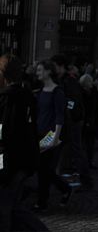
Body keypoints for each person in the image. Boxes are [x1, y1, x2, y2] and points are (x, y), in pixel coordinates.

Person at [0, 54, 43, 230]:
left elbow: (4, 134)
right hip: (23, 160)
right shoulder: (27, 96)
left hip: (9, 163)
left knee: (5, 210)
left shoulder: (7, 99)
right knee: (14, 207)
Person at [33, 60, 73, 210]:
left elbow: (59, 116)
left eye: (40, 70)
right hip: (40, 134)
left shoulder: (57, 92)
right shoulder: (41, 91)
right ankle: (64, 189)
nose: (37, 73)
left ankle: (42, 201)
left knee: (45, 169)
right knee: (42, 168)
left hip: (51, 135)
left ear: (48, 72)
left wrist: (55, 138)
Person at [51, 54, 93, 189]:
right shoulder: (61, 80)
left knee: (76, 149)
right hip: (66, 120)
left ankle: (85, 180)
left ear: (60, 66)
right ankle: (58, 176)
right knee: (63, 149)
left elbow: (73, 102)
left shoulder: (69, 81)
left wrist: (64, 107)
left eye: (54, 66)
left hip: (72, 121)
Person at [78, 74, 98, 168]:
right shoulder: (89, 93)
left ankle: (87, 161)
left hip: (88, 119)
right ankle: (87, 161)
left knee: (87, 143)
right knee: (88, 143)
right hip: (88, 119)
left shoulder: (87, 92)